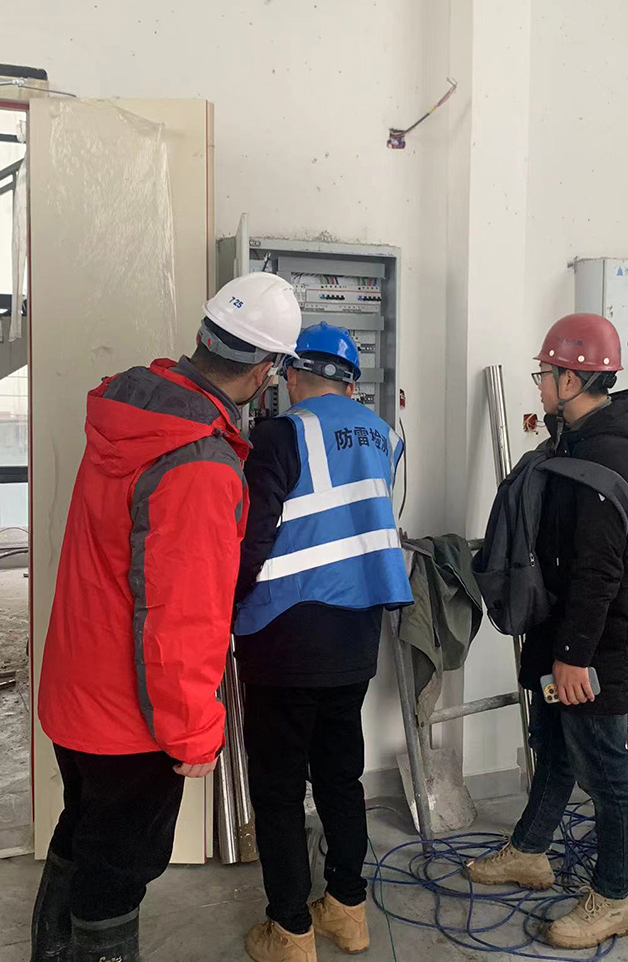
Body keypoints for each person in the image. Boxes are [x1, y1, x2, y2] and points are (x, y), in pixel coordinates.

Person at [31, 273, 302, 962]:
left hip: (76, 692)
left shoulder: (131, 409)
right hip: (134, 715)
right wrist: (194, 733)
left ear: (204, 337)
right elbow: (179, 620)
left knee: (82, 833)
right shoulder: (200, 462)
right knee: (116, 874)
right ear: (265, 371)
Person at [468, 313, 628, 950]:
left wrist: (575, 657)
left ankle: (614, 898)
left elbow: (599, 573)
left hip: (594, 647)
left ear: (572, 379)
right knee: (553, 745)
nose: (540, 384)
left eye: (545, 374)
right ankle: (530, 852)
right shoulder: (573, 442)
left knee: (605, 769)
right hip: (561, 636)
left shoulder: (612, 456)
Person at [234, 322, 413, 962]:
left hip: (283, 633)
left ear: (291, 375)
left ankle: (290, 930)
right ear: (351, 383)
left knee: (279, 788)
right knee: (341, 776)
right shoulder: (384, 434)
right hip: (355, 632)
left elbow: (251, 539)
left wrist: (220, 607)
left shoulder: (280, 434)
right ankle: (347, 910)